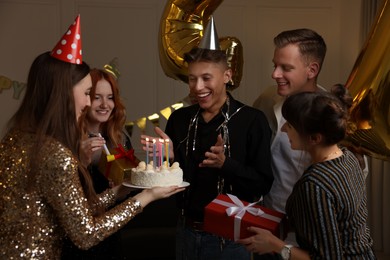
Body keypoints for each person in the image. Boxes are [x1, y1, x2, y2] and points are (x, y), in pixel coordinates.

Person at [0, 16, 184, 259]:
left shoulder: (15, 138)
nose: (89, 103)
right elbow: (86, 233)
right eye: (88, 94)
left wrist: (118, 192)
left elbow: (74, 211)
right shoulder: (56, 153)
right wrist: (146, 196)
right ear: (62, 92)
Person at [141, 17, 273, 260]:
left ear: (227, 76)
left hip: (231, 241)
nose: (197, 86)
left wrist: (226, 165)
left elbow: (263, 183)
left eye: (206, 78)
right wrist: (168, 157)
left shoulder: (252, 121)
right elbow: (175, 182)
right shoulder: (179, 119)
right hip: (186, 232)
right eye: (192, 78)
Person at [238, 85, 376, 259]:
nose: (282, 130)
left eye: (290, 126)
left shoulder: (315, 184)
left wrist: (275, 245)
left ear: (315, 138)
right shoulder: (348, 157)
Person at [61, 68, 139, 259]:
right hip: (76, 240)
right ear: (85, 98)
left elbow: (128, 195)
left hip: (111, 234)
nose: (105, 104)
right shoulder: (66, 141)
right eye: (97, 97)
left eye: (110, 97)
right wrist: (81, 162)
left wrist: (125, 185)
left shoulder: (119, 139)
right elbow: (65, 199)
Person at [253, 28, 327, 215]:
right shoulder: (268, 99)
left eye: (286, 68)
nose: (275, 74)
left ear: (312, 70)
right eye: (275, 66)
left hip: (309, 223)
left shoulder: (332, 114)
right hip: (268, 216)